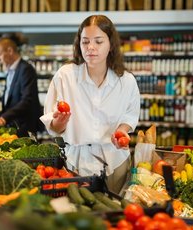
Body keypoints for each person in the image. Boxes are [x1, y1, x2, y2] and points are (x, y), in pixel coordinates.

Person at [40, 15, 140, 194]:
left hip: (115, 162)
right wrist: (60, 122)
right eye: (85, 42)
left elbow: (129, 116)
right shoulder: (65, 76)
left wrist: (122, 131)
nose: (90, 47)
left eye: (98, 41)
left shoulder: (126, 81)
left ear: (111, 45)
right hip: (75, 164)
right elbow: (53, 125)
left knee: (115, 215)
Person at [0, 37, 44, 137]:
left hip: (24, 127)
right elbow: (10, 101)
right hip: (14, 126)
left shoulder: (26, 69)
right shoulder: (10, 71)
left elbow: (27, 100)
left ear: (10, 51)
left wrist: (4, 118)